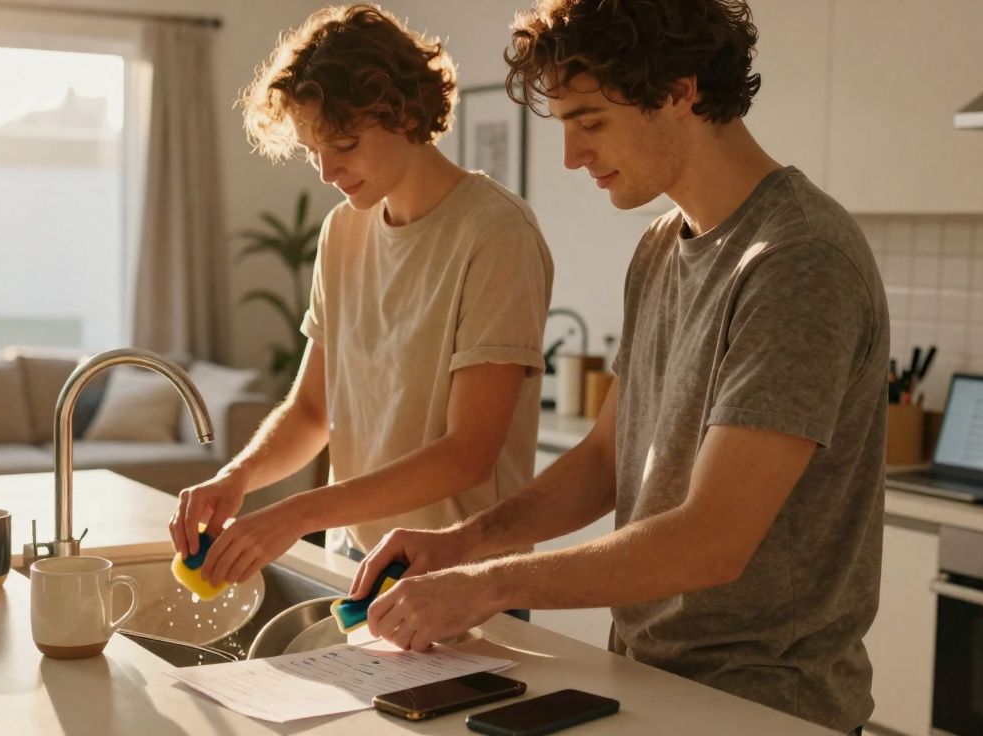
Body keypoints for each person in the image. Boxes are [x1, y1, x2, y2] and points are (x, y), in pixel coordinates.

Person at [349, 0, 888, 732]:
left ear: (678, 91)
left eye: (589, 121)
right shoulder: (663, 246)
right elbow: (608, 458)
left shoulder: (797, 261)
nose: (572, 156)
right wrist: (461, 545)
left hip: (765, 709)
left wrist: (484, 585)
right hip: (646, 681)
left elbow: (712, 541)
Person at [169, 4, 553, 590]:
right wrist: (238, 476)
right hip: (355, 563)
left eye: (343, 144)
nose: (326, 171)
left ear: (402, 111)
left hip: (461, 576)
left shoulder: (495, 234)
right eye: (312, 149)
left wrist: (296, 514)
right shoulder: (343, 231)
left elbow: (468, 453)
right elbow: (311, 411)